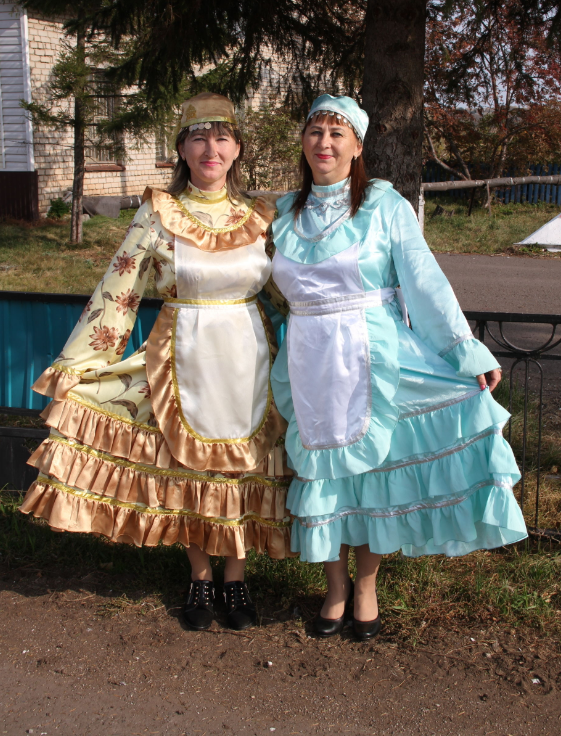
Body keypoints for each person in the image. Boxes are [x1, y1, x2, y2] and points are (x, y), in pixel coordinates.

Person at [20, 92, 293, 632]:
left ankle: (236, 578)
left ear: (238, 148)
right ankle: (200, 576)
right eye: (199, 138)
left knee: (246, 465)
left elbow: (290, 295)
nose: (211, 149)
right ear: (182, 150)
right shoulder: (158, 212)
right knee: (183, 464)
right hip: (182, 354)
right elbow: (119, 289)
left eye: (222, 138)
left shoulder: (262, 218)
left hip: (251, 358)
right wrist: (80, 364)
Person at [269, 94, 527, 641]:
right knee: (325, 474)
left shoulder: (385, 206)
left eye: (337, 133)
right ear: (303, 142)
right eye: (315, 131)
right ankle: (334, 587)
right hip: (309, 362)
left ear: (357, 146)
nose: (324, 143)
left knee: (375, 475)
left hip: (376, 355)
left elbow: (423, 279)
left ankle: (365, 586)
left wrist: (464, 351)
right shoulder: (282, 212)